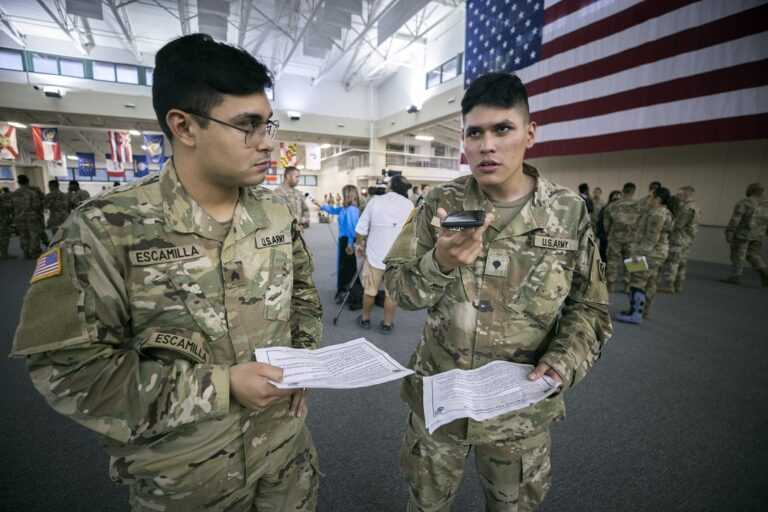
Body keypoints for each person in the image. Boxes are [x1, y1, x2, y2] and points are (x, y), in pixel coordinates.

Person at [11, 34, 322, 511]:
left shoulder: (274, 213)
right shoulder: (107, 228)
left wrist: (303, 364)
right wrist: (221, 386)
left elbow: (302, 297)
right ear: (184, 126)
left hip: (284, 457)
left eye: (268, 125)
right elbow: (69, 371)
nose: (268, 145)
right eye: (247, 126)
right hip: (187, 477)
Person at [384, 72, 612, 512]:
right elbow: (399, 289)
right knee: (425, 505)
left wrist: (563, 362)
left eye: (502, 129)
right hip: (442, 401)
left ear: (529, 133)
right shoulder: (439, 204)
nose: (487, 145)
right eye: (475, 133)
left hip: (519, 411)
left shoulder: (568, 212)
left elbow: (591, 307)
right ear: (464, 142)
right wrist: (442, 263)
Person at [354, 174, 413, 334]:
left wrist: (360, 244)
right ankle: (387, 324)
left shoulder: (375, 201)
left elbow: (360, 228)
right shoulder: (409, 205)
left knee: (370, 290)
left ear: (390, 186)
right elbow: (412, 233)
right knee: (391, 294)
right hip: (397, 258)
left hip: (374, 256)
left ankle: (365, 319)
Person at [615, 187, 674, 323]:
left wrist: (638, 254)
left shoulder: (657, 214)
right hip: (657, 253)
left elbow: (651, 238)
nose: (649, 199)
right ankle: (643, 312)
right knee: (650, 282)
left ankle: (635, 314)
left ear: (658, 199)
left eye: (651, 197)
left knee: (637, 281)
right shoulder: (662, 212)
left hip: (649, 253)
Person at [315, 185, 362, 306]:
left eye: (343, 194)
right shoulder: (345, 208)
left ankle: (348, 292)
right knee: (345, 267)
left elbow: (353, 229)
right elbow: (334, 210)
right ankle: (346, 291)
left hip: (347, 241)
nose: (341, 196)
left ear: (348, 195)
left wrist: (350, 244)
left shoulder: (352, 210)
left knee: (347, 268)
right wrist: (321, 206)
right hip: (344, 240)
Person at [721, 183, 768, 286]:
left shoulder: (745, 202)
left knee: (738, 254)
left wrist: (730, 231)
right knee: (753, 255)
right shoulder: (766, 204)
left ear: (750, 190)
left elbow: (736, 218)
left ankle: (735, 276)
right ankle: (765, 273)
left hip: (743, 234)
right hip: (758, 235)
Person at [659, 186, 700, 293]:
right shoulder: (695, 207)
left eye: (679, 194)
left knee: (673, 261)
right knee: (681, 262)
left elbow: (678, 224)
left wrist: (667, 225)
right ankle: (678, 285)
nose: (677, 197)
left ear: (686, 194)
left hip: (679, 238)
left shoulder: (686, 208)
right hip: (687, 238)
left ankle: (668, 285)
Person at [602, 182, 641, 292]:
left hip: (615, 237)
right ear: (633, 191)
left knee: (612, 261)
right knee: (633, 261)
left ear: (623, 191)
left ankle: (611, 284)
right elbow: (643, 224)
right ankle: (628, 285)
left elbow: (606, 223)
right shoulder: (640, 206)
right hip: (633, 239)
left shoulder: (613, 205)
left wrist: (610, 233)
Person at [10, 174, 44, 259]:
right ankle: (34, 253)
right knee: (34, 235)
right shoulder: (32, 193)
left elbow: (11, 207)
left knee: (23, 235)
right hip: (31, 217)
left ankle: (26, 252)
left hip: (19, 218)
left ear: (18, 182)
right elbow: (37, 205)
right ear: (27, 181)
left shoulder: (14, 194)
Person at [595, 190, 622, 260]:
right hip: (606, 241)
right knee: (605, 262)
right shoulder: (605, 209)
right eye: (615, 199)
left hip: (620, 243)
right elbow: (599, 225)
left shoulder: (623, 210)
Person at [0, 186, 14, 259]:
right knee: (4, 237)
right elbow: (8, 207)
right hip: (2, 222)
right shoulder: (2, 200)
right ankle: (4, 254)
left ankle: (4, 254)